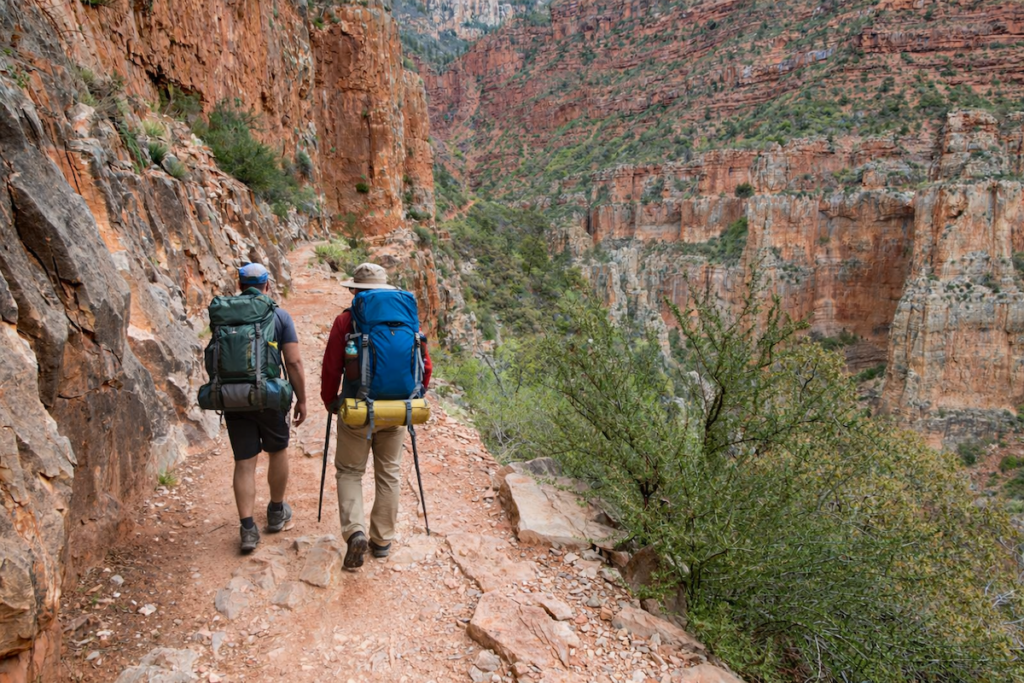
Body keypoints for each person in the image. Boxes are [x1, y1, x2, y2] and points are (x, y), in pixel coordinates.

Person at [320, 263, 432, 569]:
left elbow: (332, 367)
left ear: (356, 290)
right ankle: (382, 540)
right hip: (398, 409)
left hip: (358, 408)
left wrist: (330, 400)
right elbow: (425, 366)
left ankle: (355, 531)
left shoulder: (346, 320)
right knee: (389, 473)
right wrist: (414, 396)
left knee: (350, 471)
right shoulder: (405, 317)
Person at [226, 263, 307, 553]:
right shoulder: (279, 315)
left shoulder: (225, 315)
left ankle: (248, 529)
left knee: (245, 461)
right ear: (267, 286)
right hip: (271, 397)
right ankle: (275, 512)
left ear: (239, 286)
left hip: (234, 397)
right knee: (277, 450)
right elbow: (294, 362)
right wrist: (302, 399)